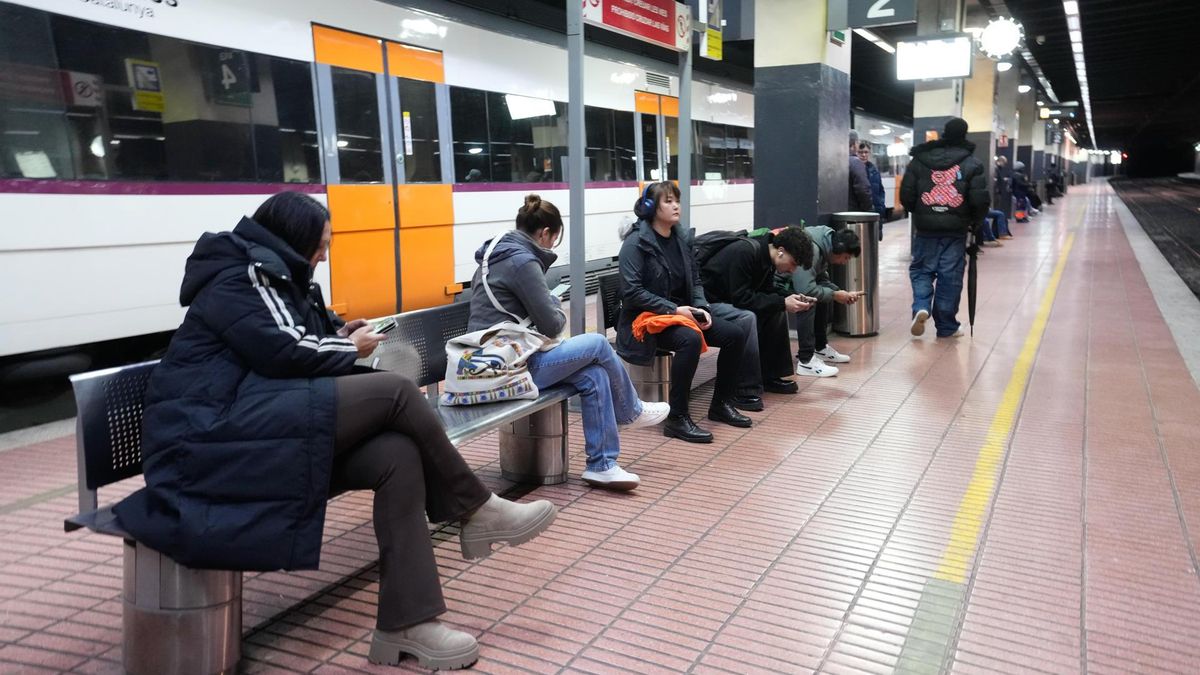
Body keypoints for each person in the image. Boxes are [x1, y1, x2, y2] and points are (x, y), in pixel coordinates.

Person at [112, 192, 558, 671]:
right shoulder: (239, 275)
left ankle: (407, 625)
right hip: (206, 445)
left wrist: (340, 337)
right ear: (294, 239)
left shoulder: (281, 278)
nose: (324, 255)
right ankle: (476, 509)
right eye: (321, 245)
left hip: (253, 431)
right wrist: (349, 348)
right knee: (395, 393)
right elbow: (283, 351)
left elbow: (292, 342)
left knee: (396, 455)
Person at [467, 195, 670, 491]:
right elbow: (552, 325)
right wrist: (552, 301)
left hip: (498, 359)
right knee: (598, 344)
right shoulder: (522, 261)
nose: (552, 245)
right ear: (545, 233)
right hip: (508, 368)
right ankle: (631, 410)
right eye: (554, 239)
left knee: (594, 375)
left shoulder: (497, 255)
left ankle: (602, 465)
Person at [616, 181, 752, 444]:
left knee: (734, 334)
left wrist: (702, 308)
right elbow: (632, 292)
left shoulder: (681, 239)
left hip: (682, 315)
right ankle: (677, 418)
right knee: (689, 340)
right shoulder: (636, 243)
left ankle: (721, 404)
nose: (676, 205)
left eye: (676, 200)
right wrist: (674, 309)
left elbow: (696, 280)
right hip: (646, 320)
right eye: (668, 201)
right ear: (651, 207)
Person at [698, 226, 815, 401]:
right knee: (747, 317)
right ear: (781, 251)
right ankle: (743, 388)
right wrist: (782, 302)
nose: (792, 270)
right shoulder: (745, 252)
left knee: (776, 311)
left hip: (727, 300)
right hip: (707, 304)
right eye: (793, 264)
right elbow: (741, 298)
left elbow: (764, 291)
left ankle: (770, 376)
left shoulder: (765, 257)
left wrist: (790, 297)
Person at [900, 117, 989, 339]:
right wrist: (975, 221)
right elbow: (979, 200)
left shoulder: (919, 160)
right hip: (955, 230)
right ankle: (947, 326)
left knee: (922, 270)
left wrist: (921, 212)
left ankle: (921, 306)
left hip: (925, 230)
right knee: (950, 276)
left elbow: (906, 196)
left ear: (944, 133)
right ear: (964, 135)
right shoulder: (972, 163)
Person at [790, 226, 863, 376]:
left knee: (823, 294)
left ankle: (820, 348)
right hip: (776, 282)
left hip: (792, 281)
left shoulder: (824, 247)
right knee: (807, 300)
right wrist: (835, 295)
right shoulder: (813, 249)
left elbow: (821, 281)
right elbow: (805, 289)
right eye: (846, 257)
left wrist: (841, 293)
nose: (844, 262)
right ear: (838, 249)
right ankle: (806, 361)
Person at [858, 141, 888, 237]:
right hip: (860, 214)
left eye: (866, 152)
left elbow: (881, 191)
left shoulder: (874, 170)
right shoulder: (854, 169)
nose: (863, 155)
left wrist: (881, 207)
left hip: (875, 213)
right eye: (860, 152)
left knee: (873, 240)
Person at [849, 130, 874, 212]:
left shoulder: (836, 161)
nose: (864, 155)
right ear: (854, 144)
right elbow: (863, 189)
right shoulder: (855, 162)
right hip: (854, 212)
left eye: (866, 152)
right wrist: (869, 209)